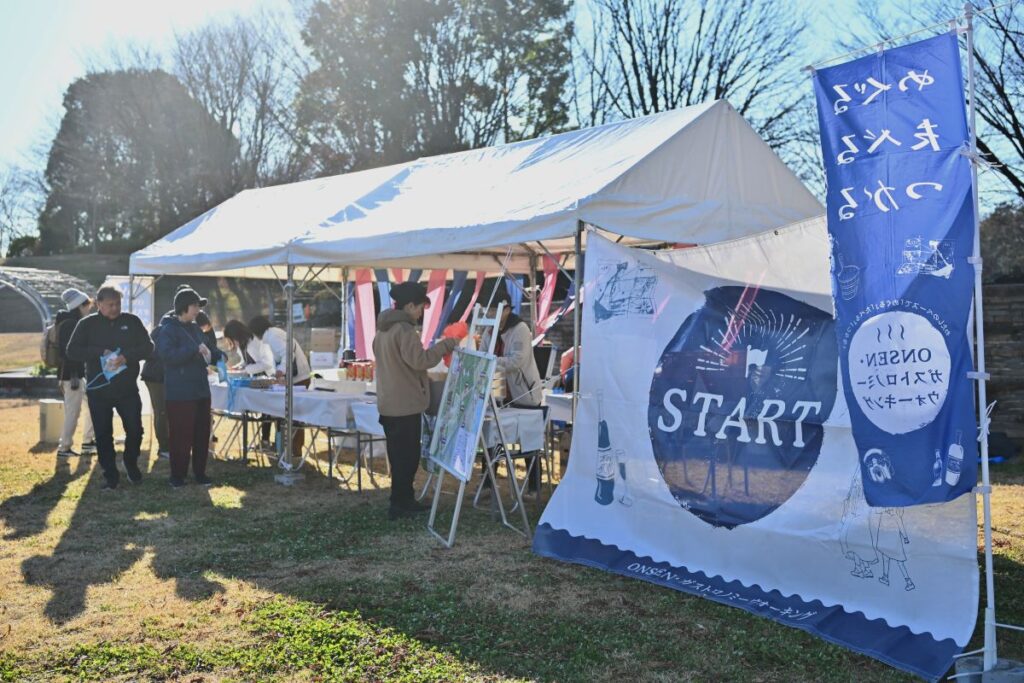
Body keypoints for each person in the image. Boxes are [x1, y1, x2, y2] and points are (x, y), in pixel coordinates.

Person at [373, 282, 460, 520]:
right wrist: (446, 345)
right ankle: (401, 503)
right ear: (410, 305)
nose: (421, 313)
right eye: (420, 308)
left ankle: (401, 499)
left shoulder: (383, 329)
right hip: (405, 404)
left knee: (399, 455)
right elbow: (420, 361)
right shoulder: (404, 329)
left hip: (389, 403)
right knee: (407, 458)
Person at [66, 286, 154, 489]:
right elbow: (72, 351)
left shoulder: (131, 321)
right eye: (110, 305)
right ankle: (110, 474)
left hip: (127, 389)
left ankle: (130, 462)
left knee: (135, 429)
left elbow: (149, 347)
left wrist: (127, 356)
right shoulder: (87, 324)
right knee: (103, 434)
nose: (115, 308)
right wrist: (98, 352)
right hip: (99, 391)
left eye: (118, 304)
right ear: (99, 304)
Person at [156, 288, 223, 488]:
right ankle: (177, 475)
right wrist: (193, 350)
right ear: (184, 306)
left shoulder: (195, 328)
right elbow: (167, 356)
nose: (198, 310)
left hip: (201, 389)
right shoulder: (168, 329)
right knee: (180, 435)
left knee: (202, 433)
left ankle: (200, 473)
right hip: (179, 392)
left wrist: (220, 356)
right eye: (195, 305)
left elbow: (209, 347)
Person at [481, 289, 544, 491]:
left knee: (529, 439)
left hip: (524, 393)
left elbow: (516, 361)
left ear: (507, 309)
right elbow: (481, 354)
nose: (490, 313)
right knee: (493, 436)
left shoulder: (520, 329)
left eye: (493, 309)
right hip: (499, 393)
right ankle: (487, 482)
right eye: (488, 309)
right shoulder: (489, 330)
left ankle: (534, 486)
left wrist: (488, 361)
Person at [248, 315, 311, 459]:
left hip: (298, 378)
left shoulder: (272, 336)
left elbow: (287, 354)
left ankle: (295, 453)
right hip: (296, 377)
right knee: (290, 415)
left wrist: (281, 371)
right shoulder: (271, 335)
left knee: (295, 416)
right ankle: (287, 450)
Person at [55, 288, 97, 458]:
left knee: (92, 406)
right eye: (86, 304)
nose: (89, 307)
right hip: (72, 376)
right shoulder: (72, 324)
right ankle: (64, 447)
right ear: (79, 305)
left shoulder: (66, 322)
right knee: (73, 412)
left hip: (75, 375)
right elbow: (69, 352)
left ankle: (88, 441)